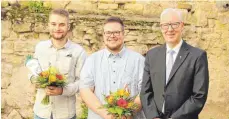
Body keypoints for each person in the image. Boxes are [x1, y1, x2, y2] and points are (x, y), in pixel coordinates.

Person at [140, 8, 209, 119]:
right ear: (161, 27)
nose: (170, 29)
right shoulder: (151, 55)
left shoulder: (197, 56)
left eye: (175, 24)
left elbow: (199, 96)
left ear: (182, 26)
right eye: (165, 25)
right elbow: (145, 91)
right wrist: (153, 116)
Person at [79, 17, 145, 119]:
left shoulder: (139, 60)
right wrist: (104, 113)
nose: (112, 36)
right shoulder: (92, 60)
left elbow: (144, 92)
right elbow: (85, 90)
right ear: (103, 35)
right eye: (108, 32)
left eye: (116, 32)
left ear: (123, 34)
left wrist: (128, 113)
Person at [29, 9, 87, 119]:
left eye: (62, 25)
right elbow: (32, 72)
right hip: (41, 113)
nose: (57, 28)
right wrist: (36, 81)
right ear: (48, 25)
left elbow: (82, 83)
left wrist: (62, 90)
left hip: (65, 114)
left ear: (68, 27)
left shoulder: (78, 52)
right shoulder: (40, 48)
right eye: (53, 24)